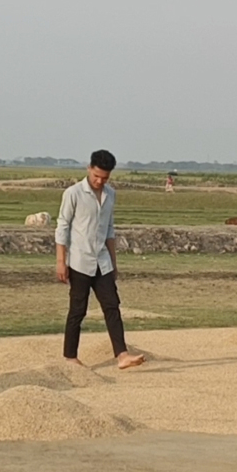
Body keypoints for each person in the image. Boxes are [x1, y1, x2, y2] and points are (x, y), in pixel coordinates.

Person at [55, 150, 145, 369]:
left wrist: (113, 263)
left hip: (102, 261)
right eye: (96, 176)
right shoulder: (73, 193)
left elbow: (109, 230)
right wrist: (61, 261)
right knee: (78, 310)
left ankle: (122, 355)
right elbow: (62, 227)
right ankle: (70, 357)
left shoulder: (110, 194)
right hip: (79, 260)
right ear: (89, 168)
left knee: (112, 306)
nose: (99, 181)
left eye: (105, 177)